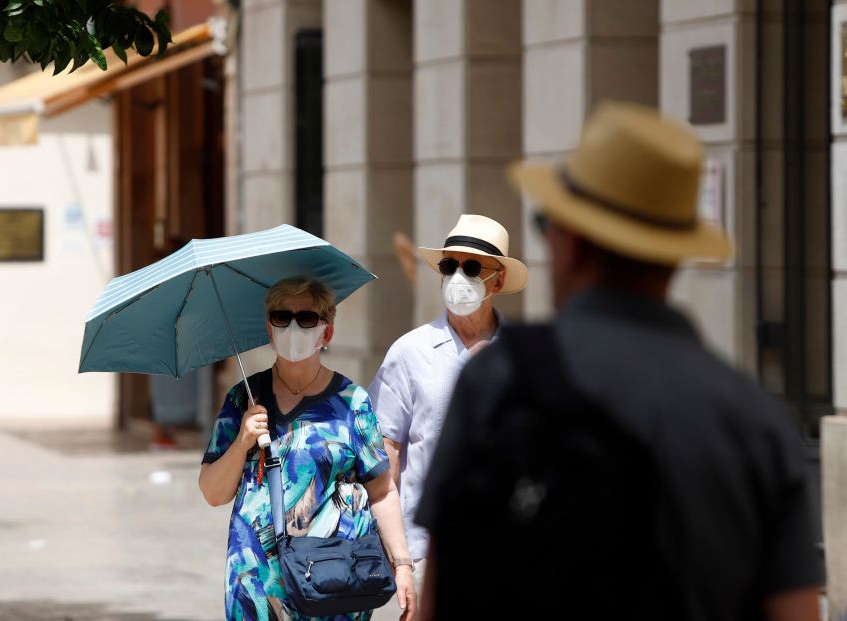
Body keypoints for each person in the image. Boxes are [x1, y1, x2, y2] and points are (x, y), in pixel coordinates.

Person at [415, 102, 823, 620]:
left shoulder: (501, 379)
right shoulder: (756, 422)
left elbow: (443, 594)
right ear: (672, 254)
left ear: (572, 243)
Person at [199, 276, 417, 620]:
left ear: (326, 332)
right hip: (257, 585)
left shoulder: (352, 402)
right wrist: (242, 442)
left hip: (334, 582)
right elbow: (213, 492)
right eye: (281, 317)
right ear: (269, 329)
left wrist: (402, 564)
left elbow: (382, 491)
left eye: (306, 318)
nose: (292, 327)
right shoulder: (244, 398)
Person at [368, 214, 527, 596]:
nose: (458, 277)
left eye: (472, 267)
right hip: (428, 556)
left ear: (498, 280)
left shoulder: (523, 357)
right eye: (449, 265)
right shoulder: (409, 353)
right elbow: (384, 450)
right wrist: (397, 554)